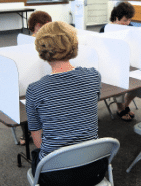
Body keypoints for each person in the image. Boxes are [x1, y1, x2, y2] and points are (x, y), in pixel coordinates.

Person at [26, 21, 107, 185]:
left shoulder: (35, 90)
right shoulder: (93, 76)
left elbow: (38, 142)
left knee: (35, 154)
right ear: (73, 46)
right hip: (94, 170)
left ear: (41, 49)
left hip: (55, 176)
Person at [100, 2, 141, 121]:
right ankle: (120, 108)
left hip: (128, 62)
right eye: (124, 20)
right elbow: (101, 51)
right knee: (119, 78)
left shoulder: (130, 28)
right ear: (116, 18)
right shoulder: (105, 29)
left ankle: (126, 104)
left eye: (129, 20)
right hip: (110, 65)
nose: (127, 23)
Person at [19, 10, 52, 146]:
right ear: (38, 26)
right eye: (47, 26)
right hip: (29, 79)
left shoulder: (47, 41)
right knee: (27, 100)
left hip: (44, 78)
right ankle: (26, 131)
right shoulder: (28, 43)